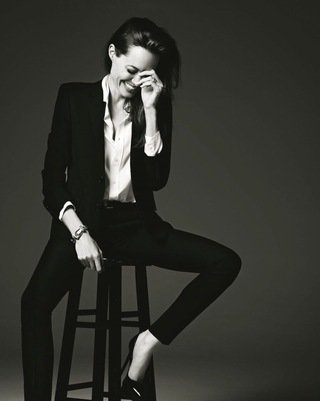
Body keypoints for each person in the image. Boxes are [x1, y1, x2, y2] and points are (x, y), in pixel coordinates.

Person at [21, 17, 242, 401]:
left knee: (225, 262)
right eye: (131, 70)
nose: (136, 80)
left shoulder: (153, 104)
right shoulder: (73, 98)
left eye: (146, 74)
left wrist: (152, 112)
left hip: (134, 227)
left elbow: (156, 180)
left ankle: (145, 343)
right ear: (113, 53)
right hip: (80, 225)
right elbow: (51, 179)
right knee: (33, 305)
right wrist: (78, 232)